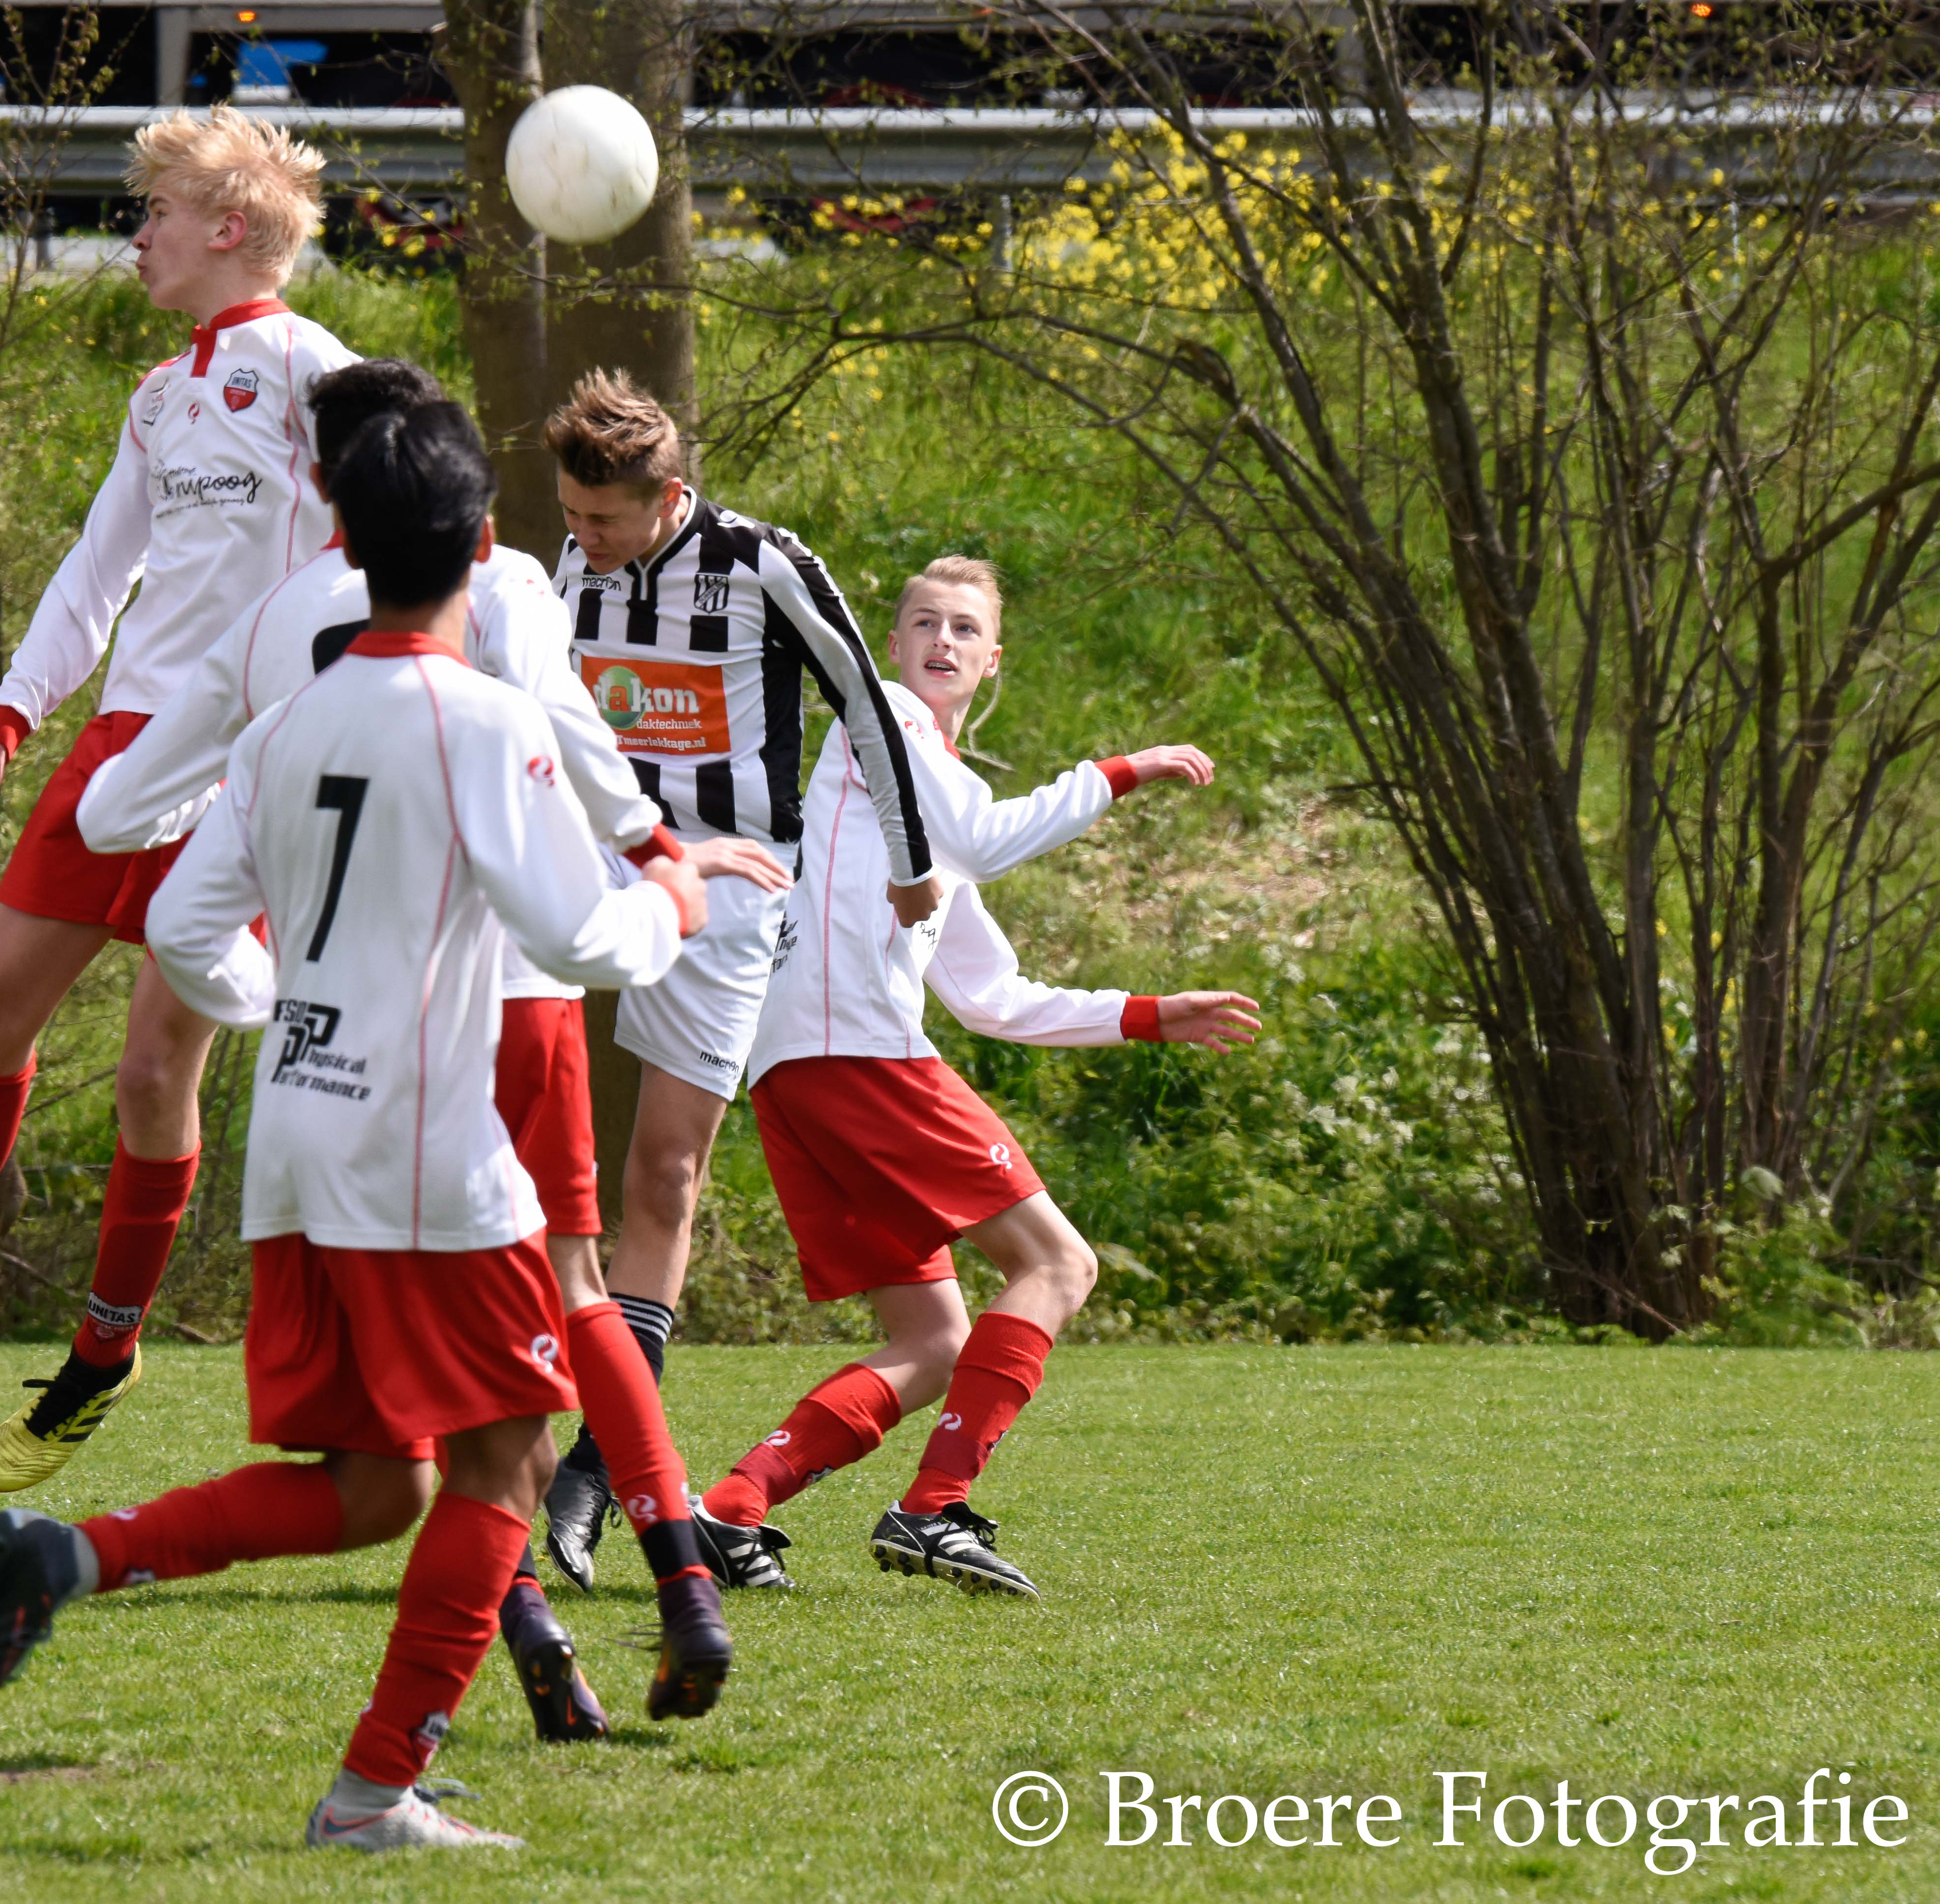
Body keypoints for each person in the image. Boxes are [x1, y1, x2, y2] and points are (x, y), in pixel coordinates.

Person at [0, 401, 714, 1852]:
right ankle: (369, 1794)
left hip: (295, 1143)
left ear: (343, 543)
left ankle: (65, 1556)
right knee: (502, 1464)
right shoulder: (487, 719)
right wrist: (673, 899)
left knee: (376, 1487)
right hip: (426, 1152)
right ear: (482, 551)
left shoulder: (280, 725)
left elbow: (185, 923)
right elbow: (582, 937)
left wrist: (288, 999)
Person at [75, 355, 790, 1742]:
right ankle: (677, 1573)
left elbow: (116, 818)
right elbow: (567, 738)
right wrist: (659, 853)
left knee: (412, 1429)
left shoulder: (275, 623)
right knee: (571, 1298)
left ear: (324, 491)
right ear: (463, 509)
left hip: (336, 1047)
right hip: (512, 990)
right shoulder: (503, 584)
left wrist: (252, 953)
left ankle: (518, 1617)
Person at [0, 107, 358, 1491]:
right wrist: (3, 725)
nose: (136, 238)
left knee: (150, 1071)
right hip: (122, 745)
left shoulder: (318, 374)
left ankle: (104, 1348)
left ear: (227, 228)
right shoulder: (160, 395)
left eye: (155, 214)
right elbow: (94, 575)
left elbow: (399, 548)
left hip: (244, 763)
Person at [701, 555, 1260, 1595]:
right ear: (892, 643)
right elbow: (989, 839)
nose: (941, 641)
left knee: (931, 1339)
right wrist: (1121, 770)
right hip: (855, 1051)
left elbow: (990, 995)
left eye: (963, 628)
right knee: (1060, 1264)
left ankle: (731, 1506)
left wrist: (1144, 1015)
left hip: (797, 1069)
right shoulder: (889, 722)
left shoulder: (923, 797)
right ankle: (932, 1509)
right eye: (923, 622)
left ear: (992, 659)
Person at [536, 369, 938, 1590]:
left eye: (604, 519)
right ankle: (515, 1436)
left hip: (729, 889)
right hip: (580, 869)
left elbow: (864, 703)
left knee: (662, 1170)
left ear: (668, 497)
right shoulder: (563, 565)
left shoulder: (762, 564)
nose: (584, 537)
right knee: (513, 1152)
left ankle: (591, 1467)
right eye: (570, 515)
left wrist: (911, 864)